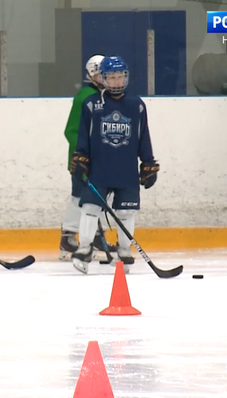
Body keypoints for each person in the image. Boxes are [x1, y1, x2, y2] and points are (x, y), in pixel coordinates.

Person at [69, 56, 159, 274]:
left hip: (126, 168)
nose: (117, 81)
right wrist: (81, 156)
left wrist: (147, 162)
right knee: (90, 208)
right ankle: (84, 248)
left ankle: (124, 250)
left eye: (120, 76)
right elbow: (84, 135)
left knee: (127, 212)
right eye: (111, 77)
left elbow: (142, 135)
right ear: (104, 78)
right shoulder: (92, 104)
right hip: (99, 168)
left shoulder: (136, 105)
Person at [59, 54, 116, 261]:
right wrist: (83, 157)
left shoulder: (105, 97)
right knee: (81, 197)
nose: (108, 78)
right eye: (103, 74)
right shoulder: (85, 97)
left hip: (100, 160)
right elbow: (71, 131)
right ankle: (70, 237)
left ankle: (90, 236)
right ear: (93, 75)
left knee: (97, 198)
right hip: (82, 161)